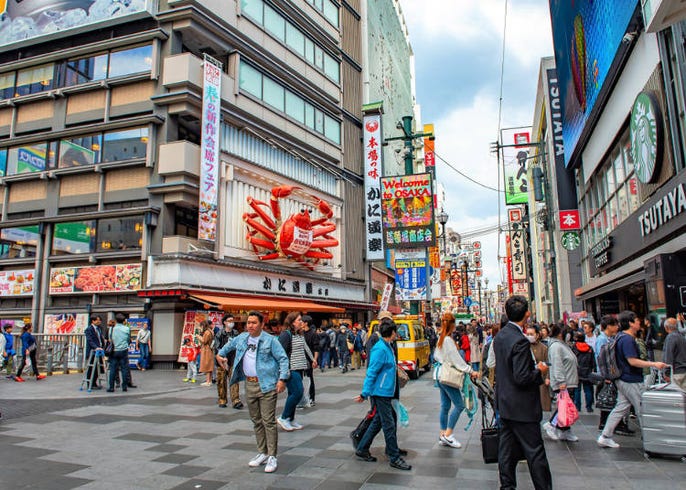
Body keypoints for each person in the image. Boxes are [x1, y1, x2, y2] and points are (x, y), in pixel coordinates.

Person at [216, 311, 289, 473]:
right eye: (248, 322)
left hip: (267, 385)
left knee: (268, 421)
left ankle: (272, 455)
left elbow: (283, 359)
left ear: (262, 325)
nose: (250, 325)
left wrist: (282, 379)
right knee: (256, 420)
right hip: (249, 384)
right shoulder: (242, 338)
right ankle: (262, 452)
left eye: (254, 322)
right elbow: (225, 348)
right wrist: (220, 356)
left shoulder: (270, 340)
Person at [493, 295, 552, 490]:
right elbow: (522, 377)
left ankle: (507, 486)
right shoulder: (519, 340)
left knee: (506, 452)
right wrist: (540, 371)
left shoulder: (500, 336)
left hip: (505, 403)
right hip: (522, 407)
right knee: (535, 452)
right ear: (527, 313)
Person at [597, 311, 668, 449]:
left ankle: (605, 436)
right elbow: (632, 361)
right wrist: (654, 364)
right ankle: (651, 440)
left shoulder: (620, 337)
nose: (639, 322)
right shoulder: (627, 340)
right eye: (636, 320)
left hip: (624, 378)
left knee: (621, 407)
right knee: (641, 408)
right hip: (630, 379)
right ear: (630, 323)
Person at [354, 318, 412, 471]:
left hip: (386, 391)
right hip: (381, 392)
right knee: (388, 424)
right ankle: (394, 457)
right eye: (396, 331)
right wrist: (364, 393)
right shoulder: (381, 348)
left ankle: (362, 448)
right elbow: (371, 372)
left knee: (378, 422)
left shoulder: (387, 346)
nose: (397, 334)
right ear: (391, 332)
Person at [434, 313, 476, 448]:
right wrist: (470, 370)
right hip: (448, 376)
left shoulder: (441, 338)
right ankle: (448, 434)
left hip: (440, 375)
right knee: (459, 405)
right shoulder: (447, 340)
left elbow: (436, 356)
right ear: (452, 324)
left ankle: (442, 434)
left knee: (445, 406)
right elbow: (456, 360)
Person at [277, 311, 315, 431]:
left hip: (300, 367)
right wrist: (282, 372)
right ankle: (283, 417)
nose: (301, 322)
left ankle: (291, 418)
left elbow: (306, 348)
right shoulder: (286, 335)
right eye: (299, 320)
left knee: (292, 393)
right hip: (291, 368)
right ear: (292, 322)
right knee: (298, 392)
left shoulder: (299, 334)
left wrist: (313, 359)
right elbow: (280, 353)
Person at [544, 322, 579, 442]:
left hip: (569, 380)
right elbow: (557, 365)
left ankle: (565, 430)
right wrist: (561, 381)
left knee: (566, 407)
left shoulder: (563, 345)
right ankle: (551, 424)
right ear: (560, 334)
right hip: (564, 382)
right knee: (564, 407)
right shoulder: (556, 346)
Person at [216, 314, 243, 409]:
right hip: (221, 362)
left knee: (234, 380)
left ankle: (236, 400)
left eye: (232, 320)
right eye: (229, 321)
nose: (232, 322)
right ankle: (222, 399)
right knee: (221, 381)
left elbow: (240, 345)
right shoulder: (219, 334)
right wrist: (222, 357)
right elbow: (217, 347)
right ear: (224, 322)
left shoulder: (236, 333)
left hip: (233, 360)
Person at [526, 325, 551, 412]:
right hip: (528, 379)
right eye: (527, 334)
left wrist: (548, 377)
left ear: (537, 335)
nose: (529, 336)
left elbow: (548, 363)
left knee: (541, 404)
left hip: (541, 379)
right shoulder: (524, 347)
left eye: (531, 334)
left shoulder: (544, 348)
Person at [107, 313, 131, 393]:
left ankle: (111, 387)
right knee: (124, 369)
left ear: (116, 320)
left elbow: (110, 339)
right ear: (124, 321)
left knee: (113, 369)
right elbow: (128, 339)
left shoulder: (111, 329)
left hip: (114, 351)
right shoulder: (127, 329)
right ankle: (124, 387)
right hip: (123, 350)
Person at [572, 331, 595, 413]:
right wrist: (593, 369)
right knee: (588, 389)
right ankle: (589, 407)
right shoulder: (589, 348)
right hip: (587, 371)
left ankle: (578, 406)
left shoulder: (574, 347)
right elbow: (593, 361)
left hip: (577, 371)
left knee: (577, 390)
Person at [663, 317, 686, 390]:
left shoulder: (670, 337)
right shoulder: (682, 337)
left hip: (676, 372)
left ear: (666, 327)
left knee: (678, 397)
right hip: (683, 371)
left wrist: (666, 373)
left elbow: (668, 356)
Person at [301, 315, 319, 406]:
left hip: (309, 359)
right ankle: (303, 398)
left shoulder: (313, 334)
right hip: (300, 359)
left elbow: (316, 348)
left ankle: (312, 398)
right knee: (301, 379)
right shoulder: (300, 333)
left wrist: (314, 360)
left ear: (306, 323)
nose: (300, 323)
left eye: (301, 321)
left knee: (309, 378)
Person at [84, 314, 105, 389]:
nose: (99, 321)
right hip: (92, 351)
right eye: (98, 320)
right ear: (93, 321)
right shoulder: (89, 329)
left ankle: (94, 382)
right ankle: (90, 383)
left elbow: (100, 338)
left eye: (100, 320)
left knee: (97, 368)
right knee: (91, 368)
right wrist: (96, 347)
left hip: (99, 350)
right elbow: (90, 340)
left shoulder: (99, 328)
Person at [199, 320, 215, 387]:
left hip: (206, 350)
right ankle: (210, 381)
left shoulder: (207, 332)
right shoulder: (211, 331)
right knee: (210, 366)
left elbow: (204, 341)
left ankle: (208, 381)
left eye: (201, 326)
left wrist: (198, 336)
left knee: (207, 365)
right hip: (210, 350)